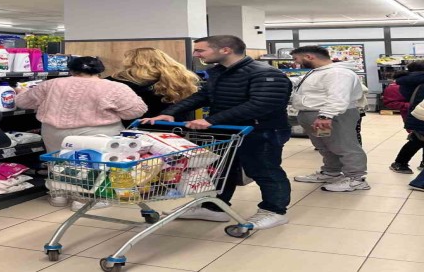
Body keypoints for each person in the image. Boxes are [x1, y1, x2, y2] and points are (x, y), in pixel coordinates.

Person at [142, 35, 293, 230]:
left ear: (225, 50)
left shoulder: (266, 74)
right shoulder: (219, 72)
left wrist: (211, 120)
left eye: (200, 50)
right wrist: (170, 113)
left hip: (261, 130)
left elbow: (261, 104)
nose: (196, 54)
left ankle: (274, 211)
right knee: (221, 170)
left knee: (264, 170)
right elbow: (202, 96)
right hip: (226, 131)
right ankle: (214, 208)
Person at [15, 56, 147, 209]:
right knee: (94, 165)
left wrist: (21, 92)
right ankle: (86, 199)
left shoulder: (51, 84)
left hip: (54, 132)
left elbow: (22, 102)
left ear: (71, 70)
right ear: (100, 70)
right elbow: (136, 111)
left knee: (58, 162)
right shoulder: (115, 87)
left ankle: (59, 195)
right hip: (96, 133)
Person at [290, 46, 369, 192]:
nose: (295, 63)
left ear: (309, 57)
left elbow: (338, 97)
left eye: (296, 59)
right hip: (316, 115)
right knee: (325, 146)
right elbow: (300, 81)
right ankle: (331, 172)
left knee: (345, 146)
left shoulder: (338, 73)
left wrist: (325, 116)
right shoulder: (318, 71)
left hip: (332, 116)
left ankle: (356, 179)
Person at [106, 47, 199, 123]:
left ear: (130, 61)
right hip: (174, 125)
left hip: (138, 126)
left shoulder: (121, 80)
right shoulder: (180, 78)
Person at [385, 71, 423, 174]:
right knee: (417, 140)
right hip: (418, 116)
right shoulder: (416, 83)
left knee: (418, 139)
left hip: (416, 115)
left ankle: (400, 163)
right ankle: (399, 163)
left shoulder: (413, 82)